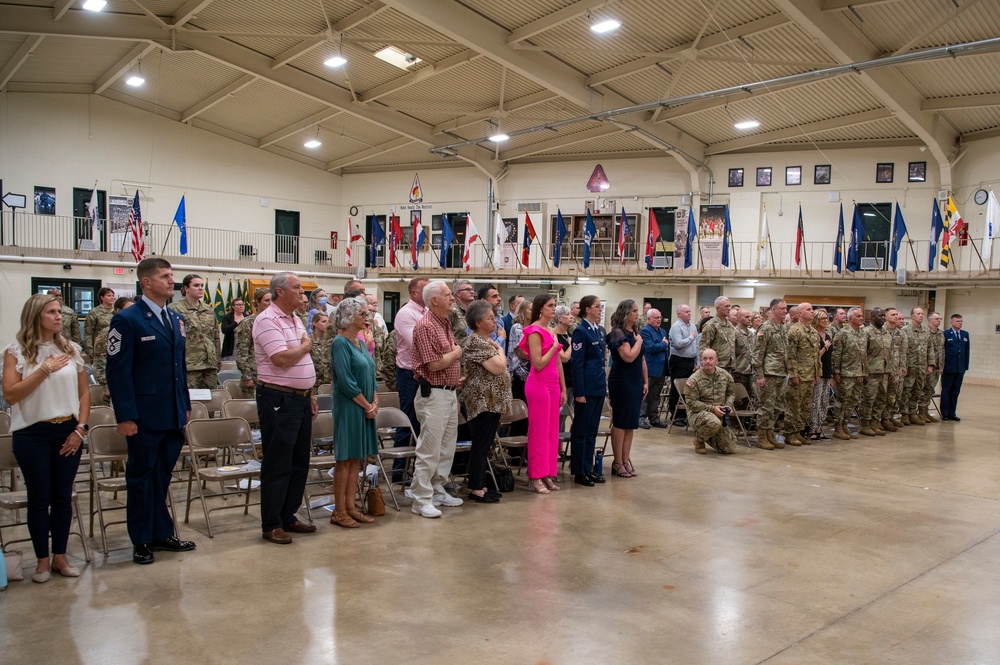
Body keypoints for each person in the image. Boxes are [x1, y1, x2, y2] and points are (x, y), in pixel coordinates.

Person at [105, 258, 195, 565]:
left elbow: (179, 368)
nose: (172, 281)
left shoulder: (175, 318)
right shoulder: (128, 320)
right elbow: (118, 373)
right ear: (146, 282)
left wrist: (184, 405)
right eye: (165, 277)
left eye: (172, 276)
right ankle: (141, 539)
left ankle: (161, 532)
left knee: (161, 478)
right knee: (141, 478)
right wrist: (125, 417)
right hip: (143, 416)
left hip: (171, 413)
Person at [3, 294, 91, 582]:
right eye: (50, 312)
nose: (57, 316)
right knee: (39, 499)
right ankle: (41, 560)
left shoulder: (71, 349)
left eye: (58, 312)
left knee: (62, 498)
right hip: (32, 433)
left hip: (68, 430)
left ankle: (60, 558)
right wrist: (44, 369)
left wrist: (80, 428)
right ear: (34, 316)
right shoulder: (16, 352)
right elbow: (11, 394)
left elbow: (83, 394)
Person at [253, 272, 319, 544]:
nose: (301, 292)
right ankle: (272, 523)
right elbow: (280, 358)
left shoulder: (294, 319)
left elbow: (301, 361)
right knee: (278, 461)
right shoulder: (267, 320)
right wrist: (305, 347)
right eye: (296, 288)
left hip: (301, 397)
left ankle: (288, 515)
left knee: (299, 461)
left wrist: (311, 393)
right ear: (280, 292)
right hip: (278, 398)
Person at [410, 281, 464, 518]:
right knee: (429, 449)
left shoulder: (444, 324)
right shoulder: (425, 327)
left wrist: (454, 388)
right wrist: (456, 353)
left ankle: (437, 488)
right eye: (447, 295)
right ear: (434, 300)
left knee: (446, 447)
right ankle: (420, 499)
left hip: (449, 393)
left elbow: (446, 360)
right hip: (433, 394)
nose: (452, 298)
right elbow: (433, 364)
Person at [329, 297, 379, 527]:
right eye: (363, 314)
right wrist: (367, 405)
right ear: (350, 318)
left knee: (356, 460)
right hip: (350, 406)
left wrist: (375, 401)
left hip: (365, 406)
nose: (367, 318)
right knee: (345, 459)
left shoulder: (359, 342)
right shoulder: (340, 343)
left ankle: (351, 506)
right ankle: (339, 511)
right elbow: (346, 382)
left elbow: (371, 374)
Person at [461, 300, 511, 503]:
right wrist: (499, 347)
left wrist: (497, 346)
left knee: (486, 445)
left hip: (492, 402)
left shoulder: (485, 341)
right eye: (490, 318)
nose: (495, 321)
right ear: (478, 322)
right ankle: (476, 488)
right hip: (482, 402)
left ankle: (481, 484)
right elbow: (499, 366)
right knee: (480, 446)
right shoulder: (475, 342)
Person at [520, 295, 567, 494]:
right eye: (550, 306)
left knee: (551, 432)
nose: (553, 309)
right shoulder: (534, 331)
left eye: (554, 305)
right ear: (540, 309)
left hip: (553, 384)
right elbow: (538, 363)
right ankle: (535, 476)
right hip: (538, 384)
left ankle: (547, 473)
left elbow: (558, 362)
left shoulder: (551, 331)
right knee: (538, 432)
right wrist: (554, 347)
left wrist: (563, 388)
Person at [606, 299, 647, 478]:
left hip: (636, 380)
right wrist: (638, 342)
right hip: (622, 380)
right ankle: (617, 462)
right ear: (625, 312)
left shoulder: (635, 331)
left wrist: (645, 382)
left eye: (638, 311)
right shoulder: (618, 332)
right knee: (621, 422)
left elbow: (642, 359)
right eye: (634, 311)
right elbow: (628, 356)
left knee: (630, 424)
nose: (637, 314)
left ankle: (625, 459)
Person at [569, 295, 607, 487]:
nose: (600, 309)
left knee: (592, 430)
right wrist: (579, 392)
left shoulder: (598, 331)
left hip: (598, 387)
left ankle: (588, 467)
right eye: (597, 307)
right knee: (581, 431)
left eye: (600, 306)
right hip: (586, 389)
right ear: (587, 309)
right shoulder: (580, 331)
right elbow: (577, 364)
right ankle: (578, 470)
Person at [393, 277, 429, 473]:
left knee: (423, 423)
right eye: (425, 289)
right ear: (414, 293)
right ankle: (399, 471)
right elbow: (417, 343)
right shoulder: (406, 313)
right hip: (409, 373)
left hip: (426, 373)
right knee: (408, 421)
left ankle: (417, 470)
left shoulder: (428, 312)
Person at [169, 274, 222, 390]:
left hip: (210, 365)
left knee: (211, 401)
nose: (200, 288)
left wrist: (217, 360)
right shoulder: (174, 309)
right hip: (189, 365)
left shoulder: (208, 310)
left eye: (202, 285)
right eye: (196, 285)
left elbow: (216, 337)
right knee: (191, 402)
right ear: (186, 288)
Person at [686, 349, 736, 455]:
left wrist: (728, 405)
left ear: (716, 360)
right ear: (701, 361)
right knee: (714, 423)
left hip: (719, 413)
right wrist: (712, 408)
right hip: (697, 413)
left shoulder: (725, 375)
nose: (708, 361)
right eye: (705, 359)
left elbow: (731, 393)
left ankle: (709, 434)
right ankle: (699, 440)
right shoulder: (694, 379)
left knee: (729, 448)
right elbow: (691, 403)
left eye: (711, 359)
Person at [753, 298, 788, 450]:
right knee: (766, 407)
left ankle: (770, 434)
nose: (785, 311)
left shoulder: (783, 328)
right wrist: (760, 375)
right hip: (769, 373)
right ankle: (761, 437)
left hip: (781, 372)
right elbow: (757, 354)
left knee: (777, 406)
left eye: (786, 309)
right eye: (782, 309)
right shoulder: (765, 328)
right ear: (773, 310)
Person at [784, 301, 819, 446]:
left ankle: (799, 432)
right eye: (809, 309)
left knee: (806, 407)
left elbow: (816, 355)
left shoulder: (813, 332)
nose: (812, 312)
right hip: (799, 375)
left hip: (811, 375)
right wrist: (793, 375)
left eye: (812, 309)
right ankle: (790, 434)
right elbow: (790, 356)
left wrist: (818, 373)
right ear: (800, 314)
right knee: (794, 407)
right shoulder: (794, 331)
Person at [831, 307, 868, 441]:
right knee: (842, 401)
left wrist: (865, 372)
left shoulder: (863, 334)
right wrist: (836, 372)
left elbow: (864, 355)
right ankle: (838, 427)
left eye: (861, 316)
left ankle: (845, 425)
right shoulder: (842, 333)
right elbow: (836, 354)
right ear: (850, 318)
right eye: (858, 316)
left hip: (859, 373)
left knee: (853, 401)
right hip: (846, 373)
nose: (861, 318)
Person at [92, 297, 134, 405]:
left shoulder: (137, 330)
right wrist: (106, 386)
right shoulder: (108, 332)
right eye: (129, 309)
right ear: (118, 311)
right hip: (115, 386)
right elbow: (100, 362)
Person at [860, 308, 892, 436]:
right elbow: (862, 354)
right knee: (869, 398)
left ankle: (875, 421)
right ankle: (865, 424)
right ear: (873, 317)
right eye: (880, 316)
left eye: (884, 316)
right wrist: (864, 372)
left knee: (881, 398)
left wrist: (890, 371)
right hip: (871, 372)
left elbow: (889, 354)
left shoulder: (886, 333)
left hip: (884, 371)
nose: (883, 318)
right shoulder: (866, 332)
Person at [236, 288, 271, 398]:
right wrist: (247, 376)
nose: (270, 304)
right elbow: (242, 352)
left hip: (272, 374)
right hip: (254, 373)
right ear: (257, 302)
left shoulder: (275, 321)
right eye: (267, 300)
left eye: (272, 301)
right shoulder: (248, 322)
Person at [668, 304, 698, 426]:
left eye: (690, 311)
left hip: (690, 361)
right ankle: (675, 416)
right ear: (679, 313)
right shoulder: (676, 327)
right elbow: (679, 343)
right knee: (677, 388)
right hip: (679, 360)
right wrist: (691, 337)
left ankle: (685, 414)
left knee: (689, 389)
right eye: (686, 312)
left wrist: (697, 362)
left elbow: (696, 345)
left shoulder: (693, 326)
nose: (689, 313)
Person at [807, 309, 834, 440]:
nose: (825, 320)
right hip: (816, 372)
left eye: (826, 318)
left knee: (824, 401)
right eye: (822, 318)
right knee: (815, 402)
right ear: (816, 320)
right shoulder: (813, 334)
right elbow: (813, 356)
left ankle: (819, 426)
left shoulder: (828, 335)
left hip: (827, 371)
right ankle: (812, 427)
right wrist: (825, 348)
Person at [640, 308, 669, 428]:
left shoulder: (662, 331)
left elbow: (663, 348)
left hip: (661, 368)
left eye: (660, 317)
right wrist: (663, 344)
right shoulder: (645, 331)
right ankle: (641, 418)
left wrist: (662, 345)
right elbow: (650, 348)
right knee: (644, 395)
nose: (659, 320)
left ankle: (654, 418)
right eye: (656, 317)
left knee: (655, 395)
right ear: (649, 319)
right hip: (650, 367)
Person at [902, 307, 930, 425]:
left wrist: (931, 364)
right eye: (918, 313)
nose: (921, 316)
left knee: (917, 391)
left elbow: (930, 348)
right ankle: (904, 414)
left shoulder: (926, 331)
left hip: (922, 367)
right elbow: (903, 351)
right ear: (912, 316)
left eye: (922, 314)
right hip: (910, 366)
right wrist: (903, 367)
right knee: (907, 390)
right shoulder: (905, 330)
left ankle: (913, 413)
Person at [506, 300, 532, 419]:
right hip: (520, 374)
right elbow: (523, 354)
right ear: (522, 311)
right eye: (531, 310)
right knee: (522, 416)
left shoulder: (534, 327)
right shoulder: (517, 328)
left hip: (532, 373)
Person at [941, 314, 969, 421]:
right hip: (948, 367)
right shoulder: (946, 334)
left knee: (955, 391)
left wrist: (965, 366)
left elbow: (966, 352)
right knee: (946, 390)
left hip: (959, 368)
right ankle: (945, 413)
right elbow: (942, 351)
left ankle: (952, 412)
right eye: (957, 321)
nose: (959, 323)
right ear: (952, 322)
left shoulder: (965, 334)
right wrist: (941, 366)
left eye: (961, 321)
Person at [699, 296, 736, 373]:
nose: (729, 308)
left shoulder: (730, 325)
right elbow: (703, 347)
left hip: (730, 367)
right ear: (718, 308)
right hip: (716, 367)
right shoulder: (711, 325)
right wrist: (706, 367)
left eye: (729, 306)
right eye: (726, 306)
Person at [885, 307, 908, 428]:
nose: (895, 317)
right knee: (882, 395)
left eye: (896, 315)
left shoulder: (901, 333)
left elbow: (903, 352)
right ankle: (880, 419)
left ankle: (890, 416)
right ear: (886, 317)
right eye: (893, 315)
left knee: (894, 394)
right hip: (882, 369)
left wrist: (903, 368)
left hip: (896, 369)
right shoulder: (882, 331)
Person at [921, 312, 944, 423]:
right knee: (924, 389)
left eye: (940, 319)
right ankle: (921, 411)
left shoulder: (940, 333)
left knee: (930, 389)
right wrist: (928, 365)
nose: (939, 321)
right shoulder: (925, 332)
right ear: (930, 320)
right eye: (936, 319)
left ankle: (926, 411)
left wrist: (941, 366)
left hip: (937, 367)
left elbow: (942, 351)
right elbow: (924, 350)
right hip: (928, 366)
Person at [554, 305, 574, 431]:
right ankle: (556, 445)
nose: (571, 317)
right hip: (561, 380)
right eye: (567, 314)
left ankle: (560, 446)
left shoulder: (570, 335)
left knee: (565, 415)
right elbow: (564, 358)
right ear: (560, 318)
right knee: (558, 414)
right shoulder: (554, 335)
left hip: (572, 380)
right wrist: (572, 345)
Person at [83, 286, 115, 361]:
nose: (112, 297)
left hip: (114, 346)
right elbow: (88, 332)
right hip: (100, 349)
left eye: (113, 296)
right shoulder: (94, 312)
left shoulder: (117, 311)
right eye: (109, 295)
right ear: (102, 297)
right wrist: (89, 349)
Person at [309, 312, 331, 389]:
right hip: (315, 385)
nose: (327, 324)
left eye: (328, 322)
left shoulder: (330, 341)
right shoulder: (308, 341)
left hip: (329, 384)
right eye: (324, 322)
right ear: (315, 323)